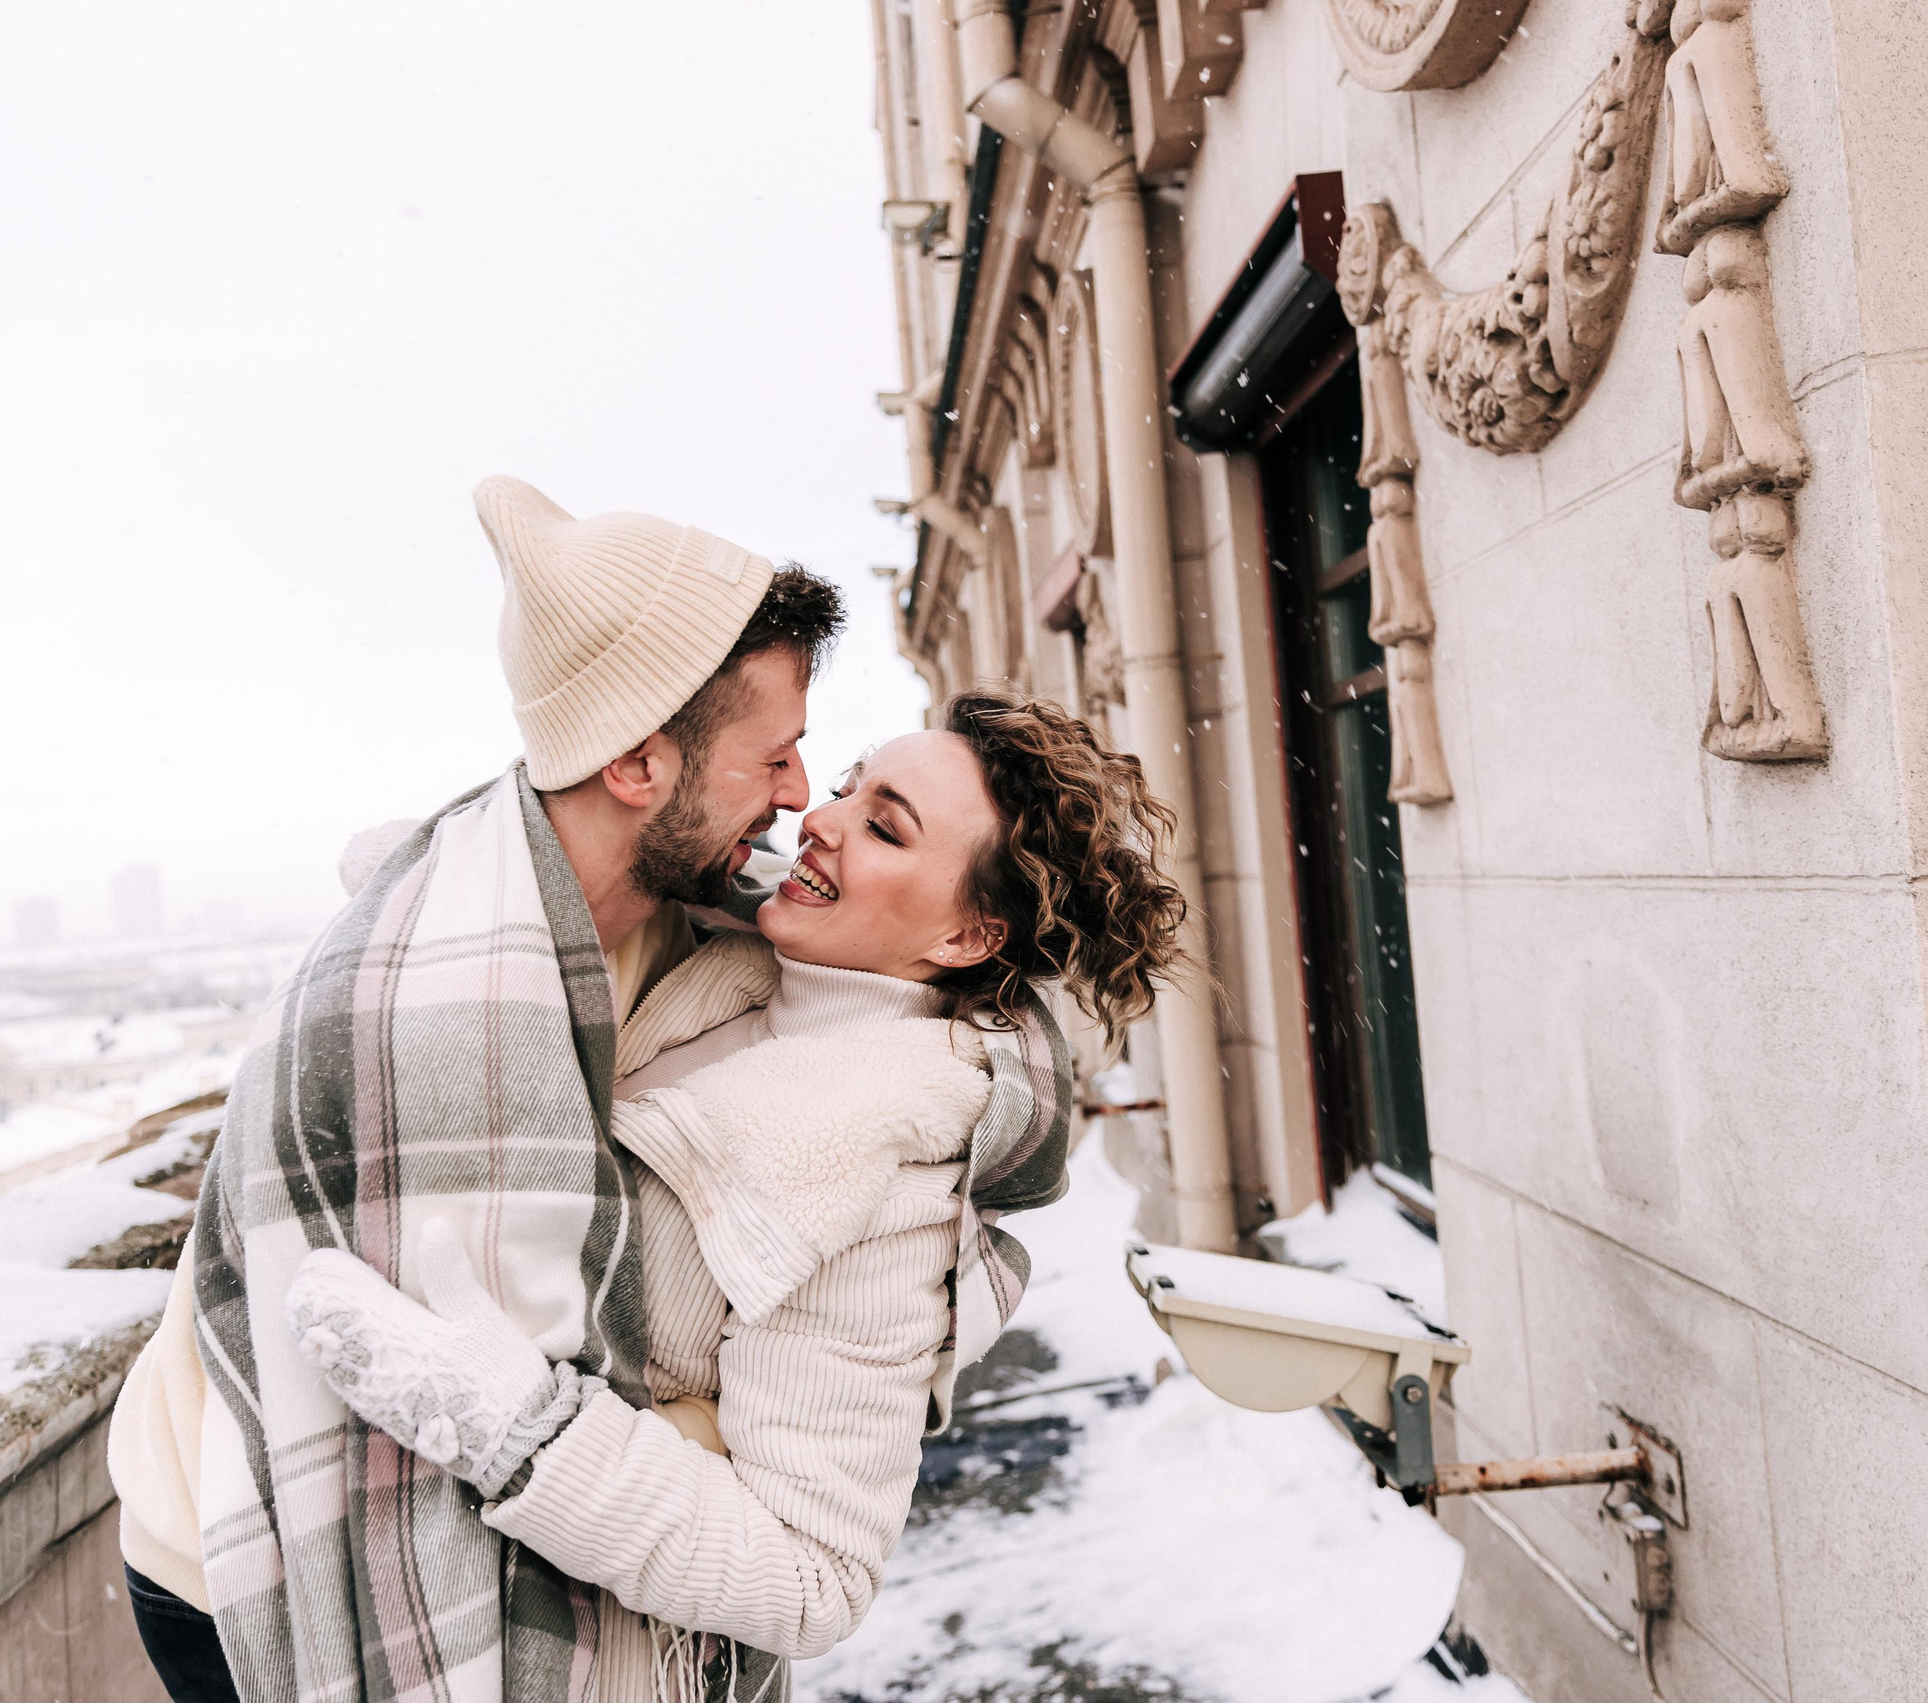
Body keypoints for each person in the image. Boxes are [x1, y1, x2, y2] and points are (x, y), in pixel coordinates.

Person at [282, 687, 1189, 1703]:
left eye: (883, 826)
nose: (823, 818)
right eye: (847, 786)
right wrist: (466, 910)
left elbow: (814, 1579)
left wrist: (505, 1422)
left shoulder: (886, 1190)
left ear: (969, 939)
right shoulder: (742, 959)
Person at [105, 473, 846, 1703]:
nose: (797, 795)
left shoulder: (677, 908)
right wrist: (737, 1446)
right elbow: (463, 1433)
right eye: (771, 756)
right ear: (635, 763)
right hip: (242, 1565)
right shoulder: (431, 1026)